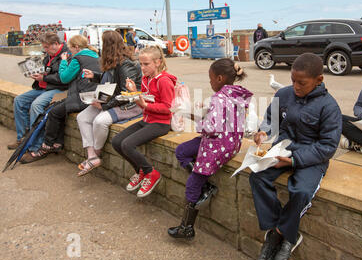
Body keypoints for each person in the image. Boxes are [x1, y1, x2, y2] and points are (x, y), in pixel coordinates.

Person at [249, 53, 342, 260]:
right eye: (292, 81)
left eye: (302, 83)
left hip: (312, 157)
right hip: (281, 148)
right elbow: (270, 121)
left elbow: (327, 147)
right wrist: (263, 132)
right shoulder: (283, 94)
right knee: (257, 177)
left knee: (300, 192)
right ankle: (276, 231)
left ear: (319, 80)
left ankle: (283, 234)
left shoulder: (329, 107)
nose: (295, 87)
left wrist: (293, 161)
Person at [168, 59, 253, 240]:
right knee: (182, 151)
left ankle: (187, 227)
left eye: (210, 79)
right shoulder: (236, 94)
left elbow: (211, 127)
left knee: (193, 183)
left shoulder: (219, 98)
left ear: (220, 78)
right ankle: (206, 185)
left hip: (217, 145)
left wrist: (195, 118)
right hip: (231, 143)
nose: (210, 82)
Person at [22, 35, 101, 163]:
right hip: (92, 94)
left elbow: (64, 78)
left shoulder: (77, 58)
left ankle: (46, 146)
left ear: (76, 47)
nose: (69, 51)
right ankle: (57, 143)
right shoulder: (95, 56)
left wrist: (64, 61)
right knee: (57, 110)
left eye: (70, 48)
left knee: (53, 112)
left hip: (83, 96)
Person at [112, 46, 176, 198]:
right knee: (116, 141)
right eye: (141, 64)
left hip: (160, 123)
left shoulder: (164, 81)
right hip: (147, 119)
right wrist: (134, 91)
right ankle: (140, 172)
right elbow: (145, 98)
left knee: (127, 144)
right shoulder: (145, 78)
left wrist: (146, 106)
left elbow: (168, 108)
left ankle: (150, 173)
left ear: (158, 62)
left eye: (146, 64)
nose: (143, 68)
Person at [76, 30, 143, 176]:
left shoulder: (127, 64)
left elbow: (127, 94)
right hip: (110, 99)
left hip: (128, 105)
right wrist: (95, 76)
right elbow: (113, 81)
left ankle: (96, 153)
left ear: (108, 45)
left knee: (100, 121)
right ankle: (91, 156)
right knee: (82, 117)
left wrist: (103, 106)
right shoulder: (114, 59)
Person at [8, 33, 69, 154]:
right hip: (44, 87)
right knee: (19, 100)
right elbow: (47, 71)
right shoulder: (49, 55)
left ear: (56, 44)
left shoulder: (67, 55)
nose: (45, 50)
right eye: (44, 47)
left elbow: (63, 78)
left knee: (36, 105)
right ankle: (23, 138)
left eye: (46, 47)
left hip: (59, 89)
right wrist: (37, 75)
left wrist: (44, 78)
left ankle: (35, 146)